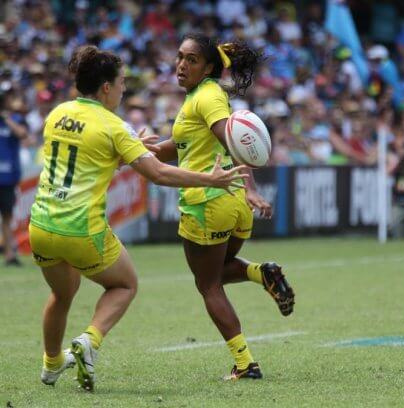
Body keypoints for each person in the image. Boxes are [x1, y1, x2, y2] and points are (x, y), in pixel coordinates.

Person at [31, 45, 248, 391]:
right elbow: (159, 174)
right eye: (120, 85)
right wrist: (211, 178)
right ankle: (90, 341)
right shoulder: (114, 126)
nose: (122, 91)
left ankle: (51, 364)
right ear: (106, 87)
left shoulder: (57, 114)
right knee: (125, 284)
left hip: (41, 226)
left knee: (62, 294)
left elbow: (90, 160)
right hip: (81, 229)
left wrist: (131, 148)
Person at [150, 33, 295, 381]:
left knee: (208, 286)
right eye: (180, 57)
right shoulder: (201, 97)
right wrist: (137, 152)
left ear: (210, 68)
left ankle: (245, 364)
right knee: (219, 270)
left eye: (192, 60)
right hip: (231, 205)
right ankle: (262, 273)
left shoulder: (208, 97)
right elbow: (180, 146)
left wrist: (251, 188)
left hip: (208, 202)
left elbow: (233, 141)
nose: (182, 65)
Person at [0, 92, 29, 266]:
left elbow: (22, 134)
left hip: (8, 178)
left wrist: (6, 119)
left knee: (7, 216)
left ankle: (10, 254)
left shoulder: (15, 119)